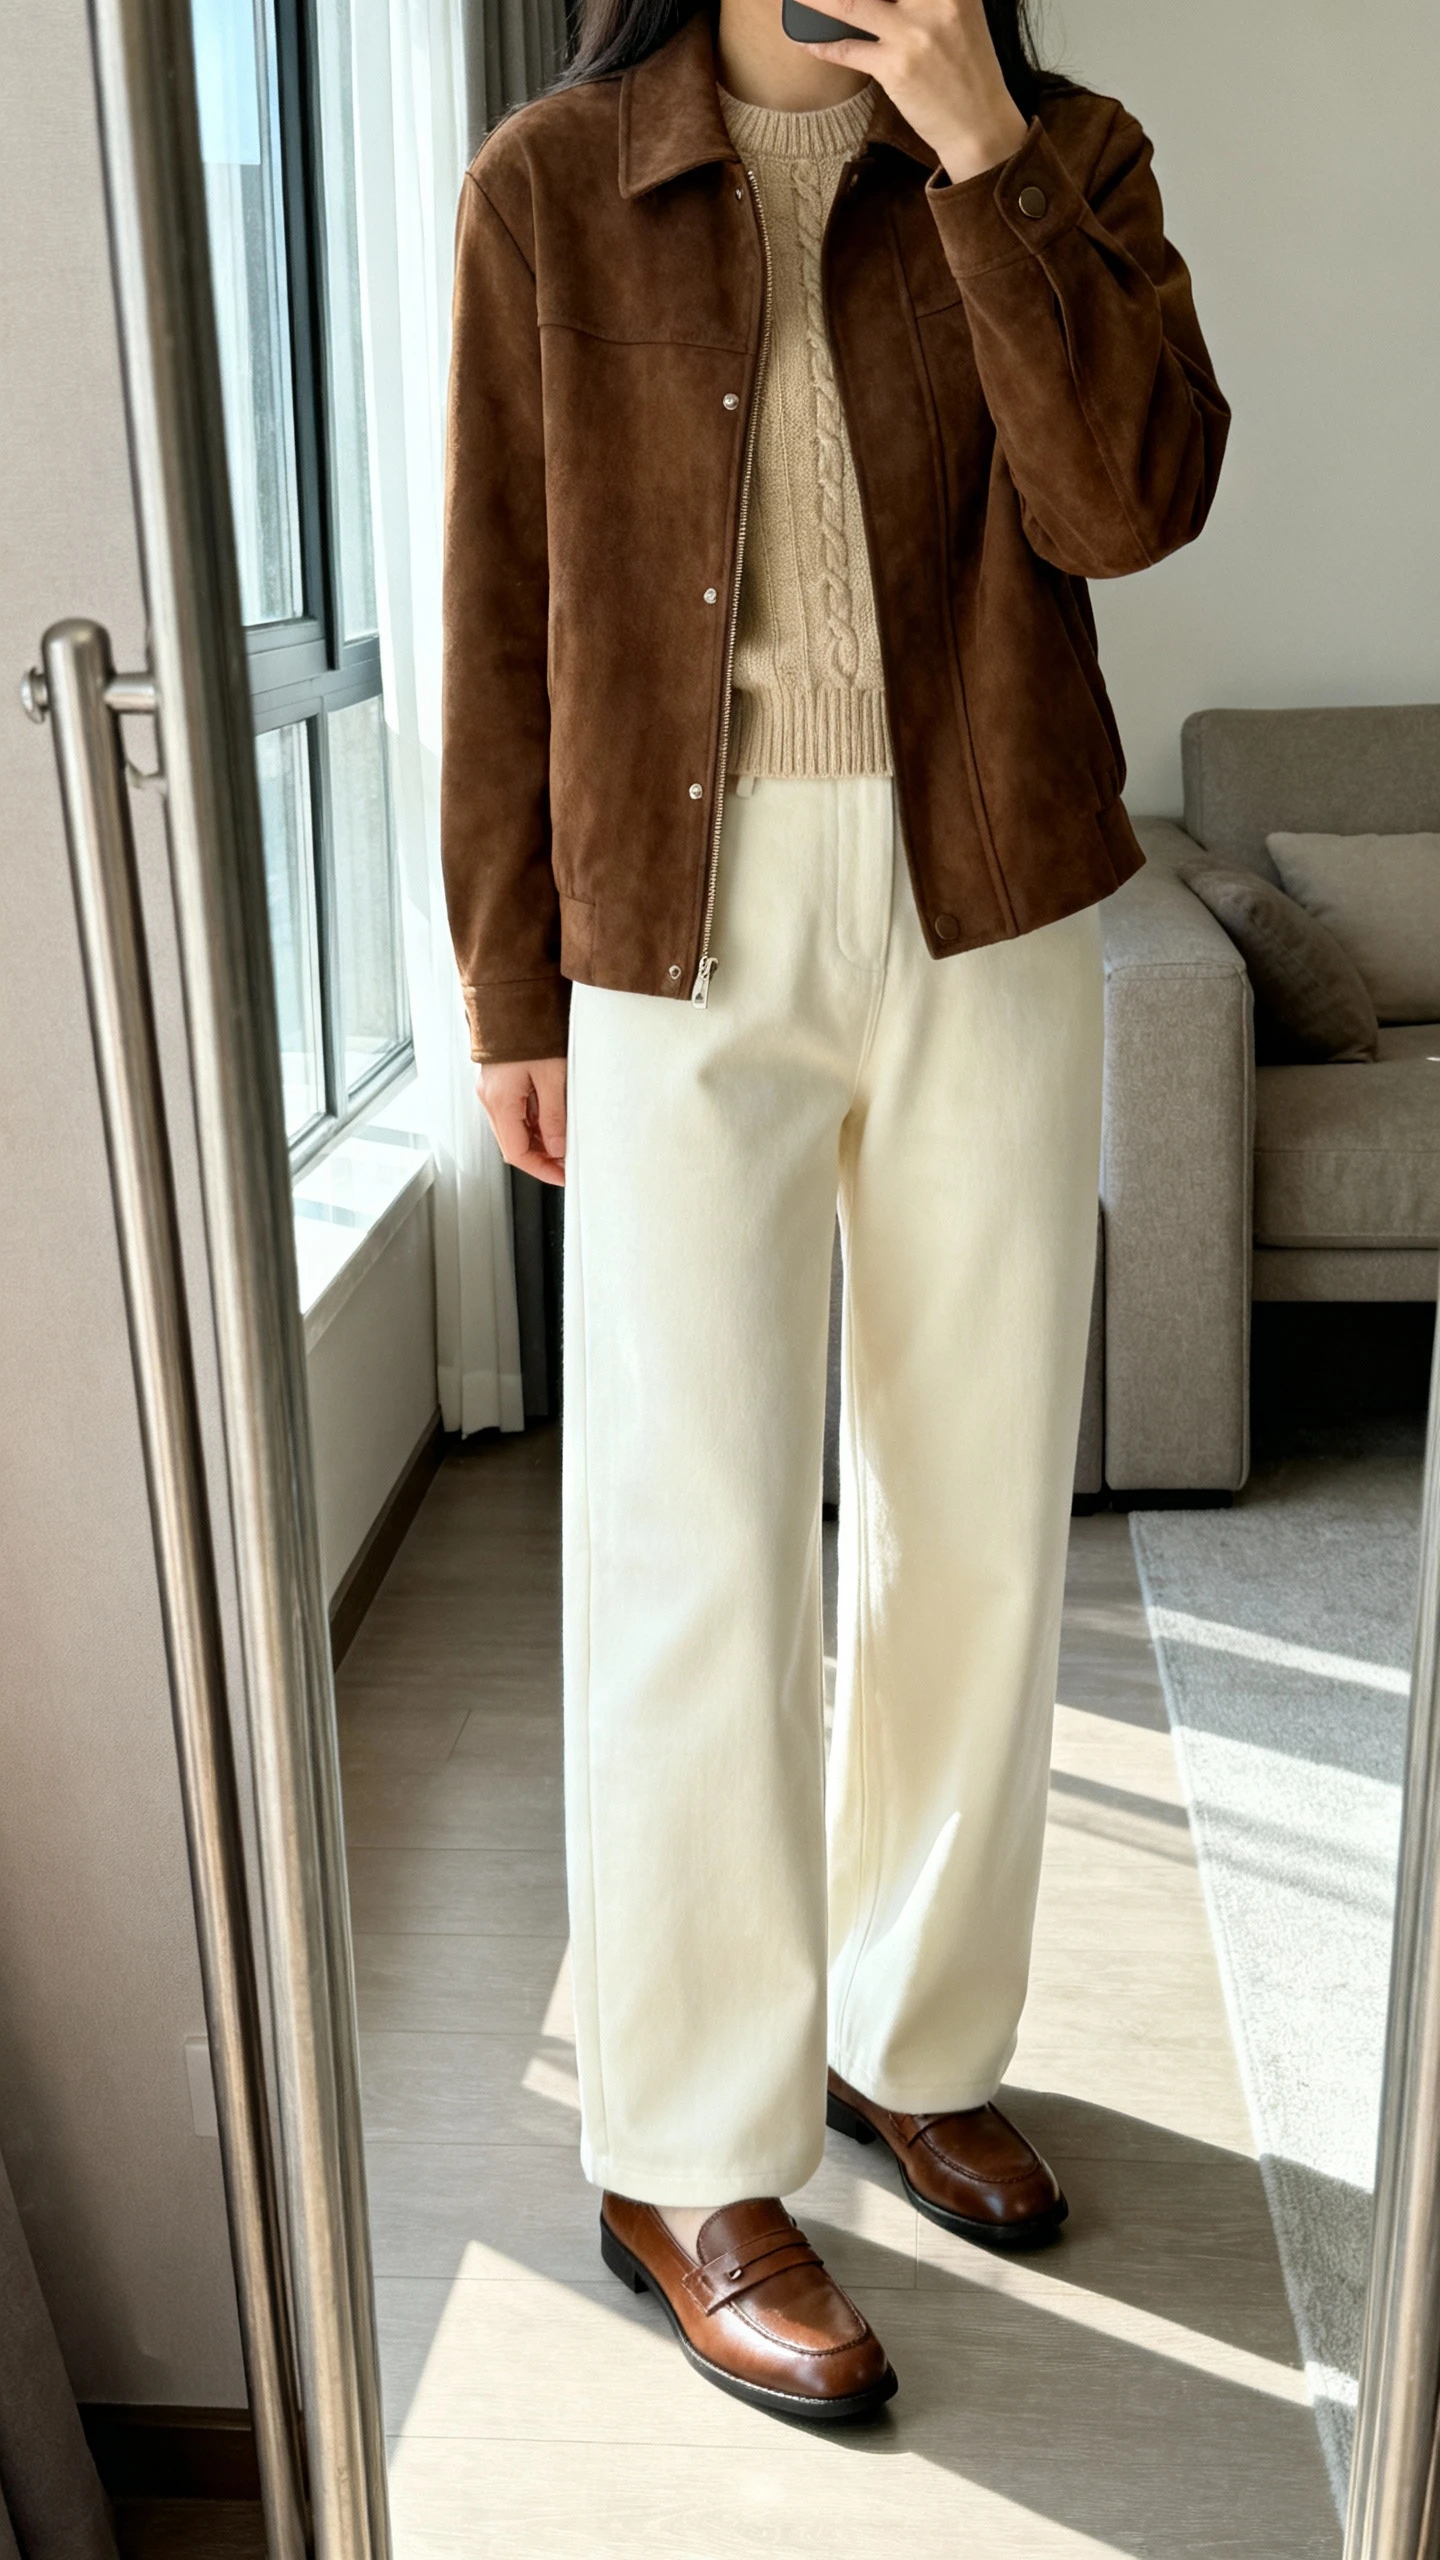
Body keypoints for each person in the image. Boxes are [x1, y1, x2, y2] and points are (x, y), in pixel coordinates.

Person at [441, 0, 1227, 2423]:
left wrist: (979, 151)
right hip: (671, 925)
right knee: (688, 1535)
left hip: (986, 881)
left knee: (976, 1503)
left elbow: (1126, 503)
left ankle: (914, 2027)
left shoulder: (1068, 147)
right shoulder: (547, 185)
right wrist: (505, 980)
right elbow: (490, 607)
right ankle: (680, 2143)